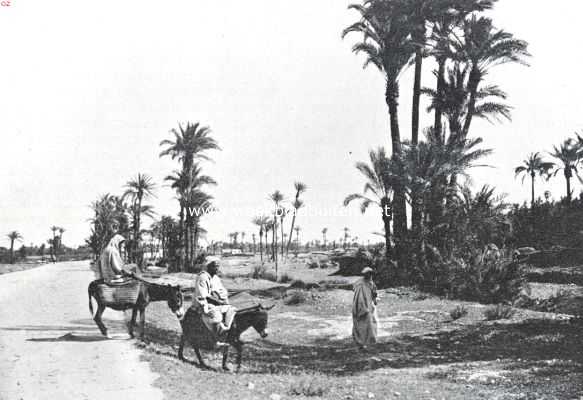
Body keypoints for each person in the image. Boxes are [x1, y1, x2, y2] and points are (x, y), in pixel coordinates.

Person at [193, 256, 237, 339]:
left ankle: (224, 329)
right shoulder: (203, 277)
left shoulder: (216, 278)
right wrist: (219, 302)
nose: (217, 268)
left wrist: (224, 299)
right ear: (208, 266)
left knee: (232, 309)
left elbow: (222, 291)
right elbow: (204, 296)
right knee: (216, 315)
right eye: (215, 266)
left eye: (218, 266)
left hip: (216, 302)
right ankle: (215, 337)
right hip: (204, 304)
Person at [352, 266, 378, 350]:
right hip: (360, 305)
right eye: (368, 274)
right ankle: (360, 343)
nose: (369, 276)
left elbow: (374, 293)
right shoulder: (360, 284)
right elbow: (358, 297)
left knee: (370, 323)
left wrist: (374, 300)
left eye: (370, 274)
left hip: (369, 305)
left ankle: (369, 341)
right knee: (360, 323)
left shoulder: (371, 282)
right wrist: (362, 307)